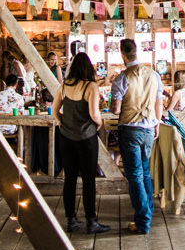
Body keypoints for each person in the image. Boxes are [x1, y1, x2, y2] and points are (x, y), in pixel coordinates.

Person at [52, 53, 109, 234]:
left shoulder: (64, 86)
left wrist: (62, 122)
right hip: (86, 139)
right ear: (88, 68)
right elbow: (94, 114)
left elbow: (54, 110)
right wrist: (99, 124)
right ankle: (91, 221)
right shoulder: (91, 86)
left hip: (66, 138)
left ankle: (71, 220)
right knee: (88, 180)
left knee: (69, 179)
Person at [111, 39, 163, 234]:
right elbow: (159, 103)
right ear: (137, 52)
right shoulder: (154, 75)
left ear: (123, 55)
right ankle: (147, 213)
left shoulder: (122, 79)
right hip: (149, 127)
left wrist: (115, 104)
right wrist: (156, 123)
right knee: (145, 172)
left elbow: (115, 110)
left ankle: (142, 221)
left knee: (134, 175)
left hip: (130, 129)